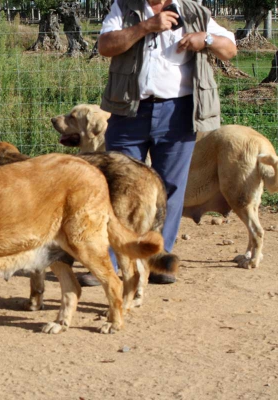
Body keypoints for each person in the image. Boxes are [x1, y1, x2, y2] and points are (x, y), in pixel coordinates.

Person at [78, 0, 237, 287]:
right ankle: (111, 262)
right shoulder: (125, 8)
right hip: (129, 111)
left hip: (179, 111)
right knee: (117, 187)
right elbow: (105, 46)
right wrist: (145, 27)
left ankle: (159, 259)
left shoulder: (193, 10)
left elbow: (230, 49)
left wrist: (206, 39)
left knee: (170, 189)